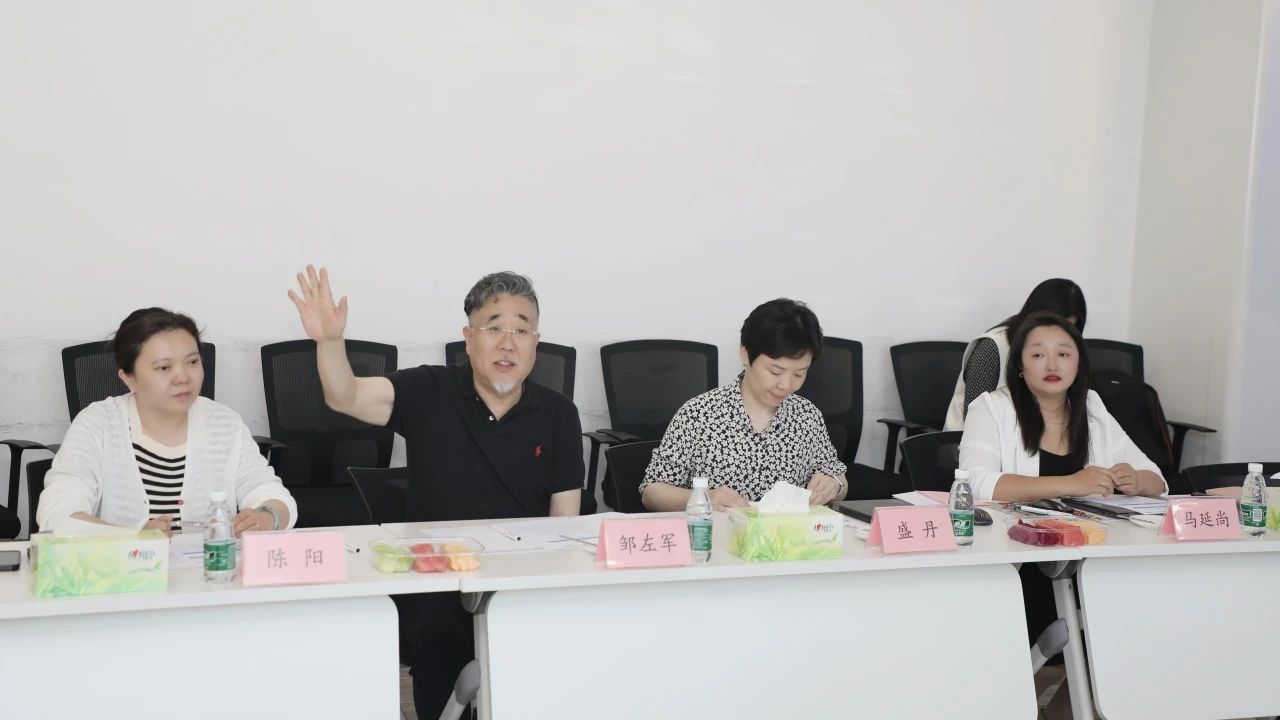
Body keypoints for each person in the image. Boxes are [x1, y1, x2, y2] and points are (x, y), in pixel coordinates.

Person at [288, 265, 583, 717]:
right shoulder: (429, 389)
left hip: (519, 584)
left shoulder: (559, 413)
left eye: (521, 330)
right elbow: (346, 396)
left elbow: (564, 525)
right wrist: (329, 342)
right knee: (438, 650)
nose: (508, 343)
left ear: (536, 343)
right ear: (468, 338)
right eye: (494, 327)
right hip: (439, 583)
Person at [37, 308, 297, 535]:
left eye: (192, 362)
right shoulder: (97, 425)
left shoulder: (225, 424)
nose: (183, 377)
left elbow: (273, 495)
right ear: (128, 378)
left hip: (209, 573)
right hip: (121, 574)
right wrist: (130, 538)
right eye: (164, 367)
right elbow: (57, 516)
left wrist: (267, 517)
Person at [639, 298, 847, 512]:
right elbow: (651, 492)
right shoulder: (699, 414)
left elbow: (837, 478)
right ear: (746, 354)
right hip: (717, 532)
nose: (786, 385)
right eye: (775, 371)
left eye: (799, 374)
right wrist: (705, 498)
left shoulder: (806, 415)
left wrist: (834, 484)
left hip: (787, 534)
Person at [958, 311, 1166, 502]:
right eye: (1038, 355)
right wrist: (1071, 484)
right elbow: (973, 483)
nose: (1052, 366)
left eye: (1063, 355)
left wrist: (1136, 481)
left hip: (1087, 531)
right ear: (1020, 364)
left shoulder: (1091, 406)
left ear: (1078, 363)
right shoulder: (990, 408)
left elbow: (1156, 479)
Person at [943, 278, 1087, 431]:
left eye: (1069, 327)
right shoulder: (993, 348)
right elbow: (975, 418)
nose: (1060, 334)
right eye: (1054, 325)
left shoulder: (1068, 351)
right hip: (977, 438)